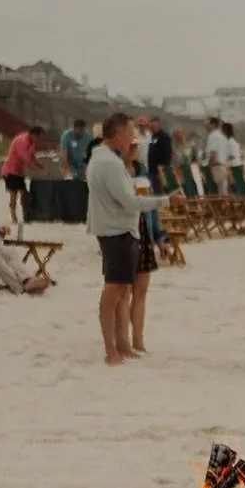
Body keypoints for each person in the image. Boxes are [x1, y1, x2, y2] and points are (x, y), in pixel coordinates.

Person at [86, 111, 154, 365]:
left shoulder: (106, 159)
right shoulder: (108, 162)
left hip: (121, 230)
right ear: (118, 134)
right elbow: (130, 201)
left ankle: (122, 344)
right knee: (114, 290)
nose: (133, 137)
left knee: (124, 289)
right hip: (116, 232)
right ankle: (111, 350)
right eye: (130, 132)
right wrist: (167, 200)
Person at [1, 123, 46, 225]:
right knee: (14, 193)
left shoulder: (32, 143)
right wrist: (39, 171)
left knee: (24, 193)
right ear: (34, 135)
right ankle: (13, 215)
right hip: (10, 170)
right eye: (40, 138)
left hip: (18, 171)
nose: (40, 141)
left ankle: (25, 213)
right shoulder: (22, 141)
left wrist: (41, 167)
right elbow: (26, 160)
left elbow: (32, 158)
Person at [204, 116, 228, 186]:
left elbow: (213, 153)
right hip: (224, 166)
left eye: (207, 124)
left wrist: (210, 167)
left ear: (213, 124)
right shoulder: (223, 136)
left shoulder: (213, 136)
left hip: (216, 167)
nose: (205, 126)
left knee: (218, 192)